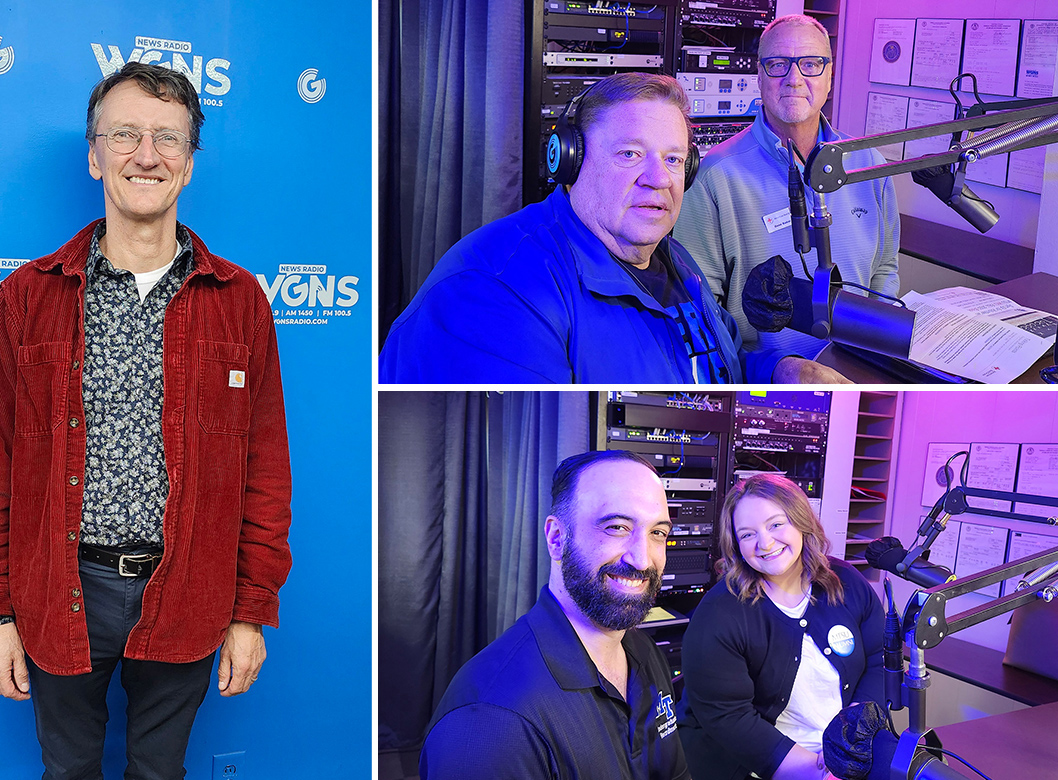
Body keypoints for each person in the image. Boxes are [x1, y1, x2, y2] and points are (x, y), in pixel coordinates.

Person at [0, 62, 292, 779]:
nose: (147, 155)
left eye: (168, 138)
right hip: (57, 588)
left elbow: (266, 472)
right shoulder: (26, 299)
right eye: (126, 135)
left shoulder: (240, 303)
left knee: (159, 774)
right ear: (94, 154)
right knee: (67, 773)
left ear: (190, 163)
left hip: (193, 591)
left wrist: (248, 611)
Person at [379, 71, 840, 384]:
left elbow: (718, 366)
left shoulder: (672, 259)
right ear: (570, 159)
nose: (659, 179)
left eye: (674, 159)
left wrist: (783, 369)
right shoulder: (494, 291)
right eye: (630, 154)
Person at [420, 450, 691, 780]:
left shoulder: (646, 653)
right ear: (557, 538)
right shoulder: (489, 722)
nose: (642, 559)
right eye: (617, 527)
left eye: (657, 533)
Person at [673, 14, 899, 363]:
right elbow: (702, 313)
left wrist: (877, 352)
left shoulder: (869, 162)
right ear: (760, 76)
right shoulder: (714, 176)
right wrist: (775, 370)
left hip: (862, 368)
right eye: (778, 64)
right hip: (769, 376)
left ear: (829, 75)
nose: (794, 79)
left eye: (810, 64)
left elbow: (884, 270)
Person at [678, 474, 883, 780]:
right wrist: (818, 773)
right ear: (735, 544)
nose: (765, 543)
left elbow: (879, 661)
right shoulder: (719, 612)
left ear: (801, 521)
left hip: (842, 756)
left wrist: (856, 735)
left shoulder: (847, 582)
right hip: (756, 765)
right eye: (748, 535)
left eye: (776, 524)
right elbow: (729, 717)